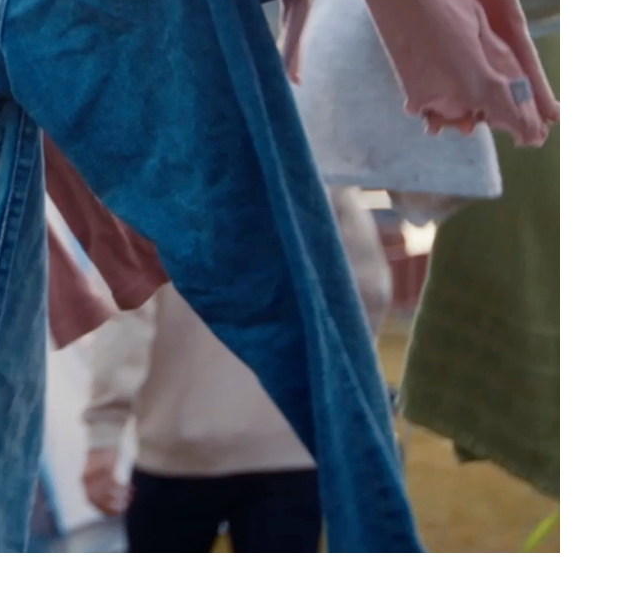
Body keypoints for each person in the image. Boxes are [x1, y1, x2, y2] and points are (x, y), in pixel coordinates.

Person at [80, 184, 392, 552]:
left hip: (178, 445)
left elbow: (126, 314)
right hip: (289, 441)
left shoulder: (146, 175)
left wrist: (104, 434)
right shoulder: (319, 174)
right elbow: (367, 295)